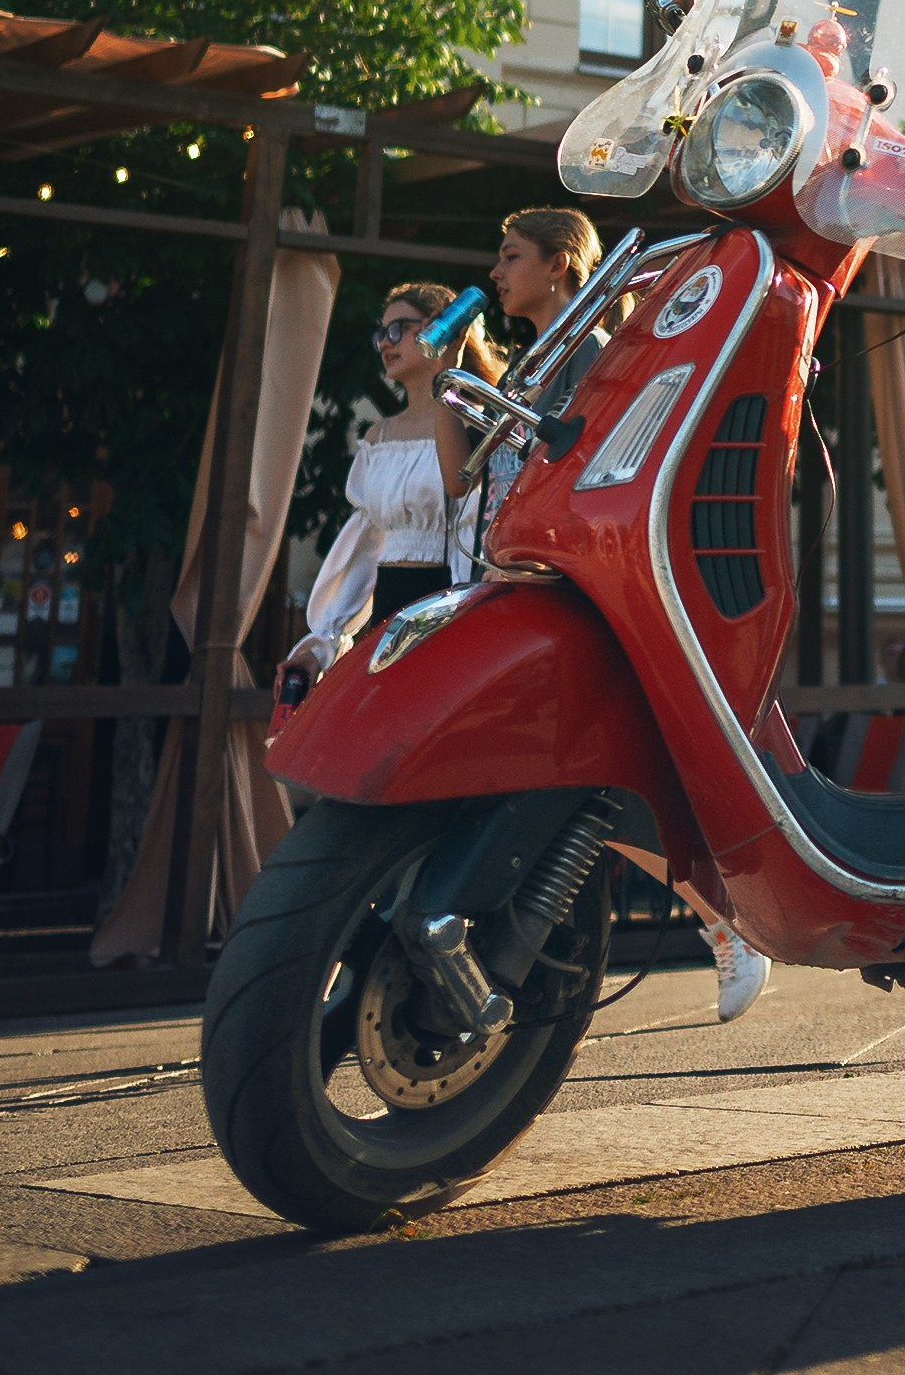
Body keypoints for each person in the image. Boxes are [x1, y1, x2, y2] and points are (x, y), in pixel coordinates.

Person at [435, 206, 771, 1025]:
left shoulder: (589, 358)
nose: (495, 270)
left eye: (511, 255)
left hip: (572, 584)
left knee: (601, 779)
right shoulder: (537, 360)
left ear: (559, 267)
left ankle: (727, 922)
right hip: (519, 575)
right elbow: (460, 479)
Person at [289, 282, 494, 677]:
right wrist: (323, 643)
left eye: (399, 329)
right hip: (388, 615)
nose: (386, 343)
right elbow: (363, 550)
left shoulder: (478, 421)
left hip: (451, 606)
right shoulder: (379, 436)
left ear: (440, 328)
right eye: (381, 333)